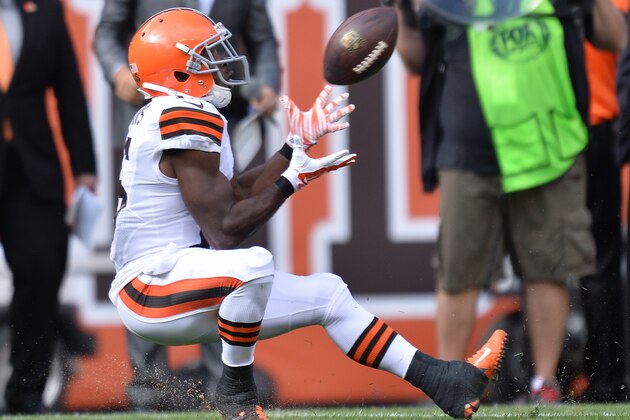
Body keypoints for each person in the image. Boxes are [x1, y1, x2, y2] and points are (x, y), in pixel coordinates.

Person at [109, 7, 508, 419]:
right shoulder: (181, 114)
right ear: (178, 72)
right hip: (149, 288)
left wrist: (293, 148)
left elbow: (233, 192)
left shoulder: (171, 113)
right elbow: (224, 231)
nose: (220, 61)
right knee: (252, 266)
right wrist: (290, 182)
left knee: (330, 296)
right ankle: (237, 399)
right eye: (206, 55)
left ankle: (448, 383)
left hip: (177, 279)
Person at [390, 0, 627, 403]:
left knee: (547, 268)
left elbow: (614, 36)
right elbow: (416, 59)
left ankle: (545, 385)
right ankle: (450, 380)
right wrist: (399, 10)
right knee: (459, 272)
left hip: (548, 146)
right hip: (469, 151)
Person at [93, 0, 281, 409]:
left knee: (217, 249)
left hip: (212, 116)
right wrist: (118, 73)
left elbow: (263, 41)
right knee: (151, 252)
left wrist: (265, 83)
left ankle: (222, 387)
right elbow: (106, 32)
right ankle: (150, 390)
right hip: (153, 120)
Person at [0, 0, 98, 413]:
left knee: (42, 270)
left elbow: (68, 89)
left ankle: (27, 393)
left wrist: (84, 167)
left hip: (30, 169)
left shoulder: (45, 10)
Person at [579, 0, 629, 402]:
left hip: (592, 126)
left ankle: (607, 380)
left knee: (600, 263)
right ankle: (596, 379)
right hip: (559, 132)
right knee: (545, 263)